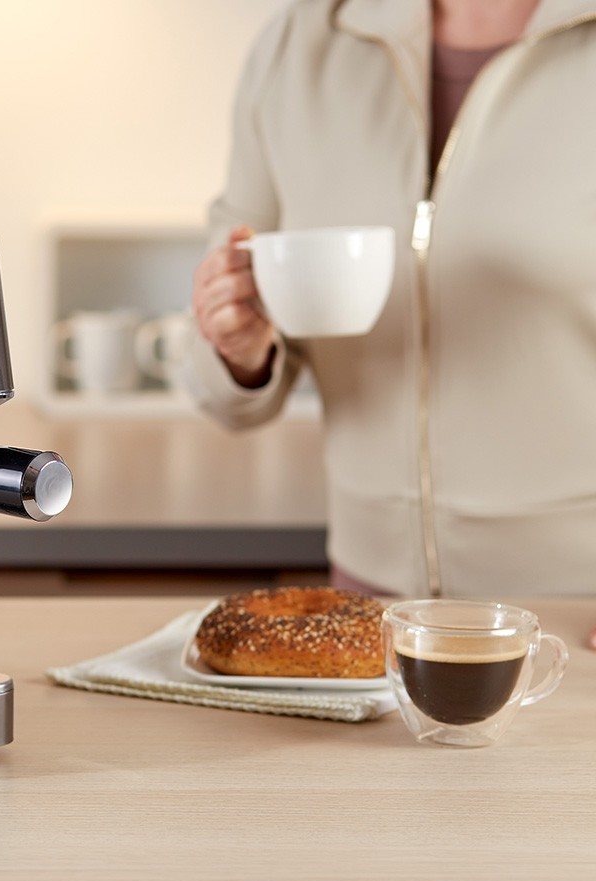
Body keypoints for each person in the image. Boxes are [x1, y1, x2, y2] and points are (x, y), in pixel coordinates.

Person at [189, 0, 596, 599]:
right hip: (370, 602)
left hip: (573, 606)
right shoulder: (298, 46)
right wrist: (237, 350)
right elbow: (217, 368)